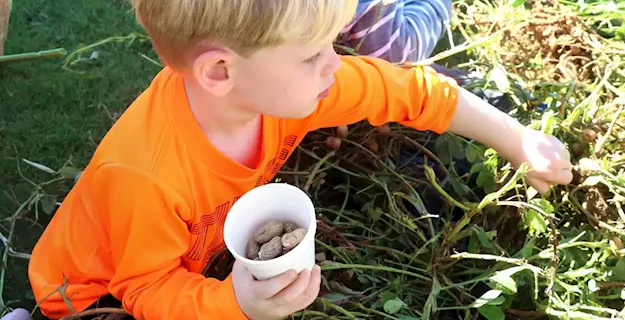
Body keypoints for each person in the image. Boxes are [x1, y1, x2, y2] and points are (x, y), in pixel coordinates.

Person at [27, 1, 574, 320]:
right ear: (221, 72)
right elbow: (144, 290)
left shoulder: (284, 93)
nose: (335, 67)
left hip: (177, 254)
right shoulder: (144, 176)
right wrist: (236, 304)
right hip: (92, 292)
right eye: (314, 54)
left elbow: (409, 91)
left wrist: (517, 140)